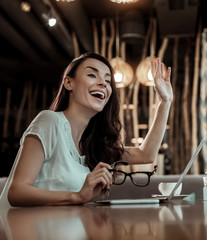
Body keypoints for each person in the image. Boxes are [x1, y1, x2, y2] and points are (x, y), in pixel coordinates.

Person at [0, 52, 173, 207]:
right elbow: (16, 193)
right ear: (69, 83)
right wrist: (77, 197)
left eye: (107, 81)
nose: (103, 84)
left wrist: (165, 102)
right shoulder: (49, 121)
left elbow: (146, 155)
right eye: (92, 75)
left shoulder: (94, 143)